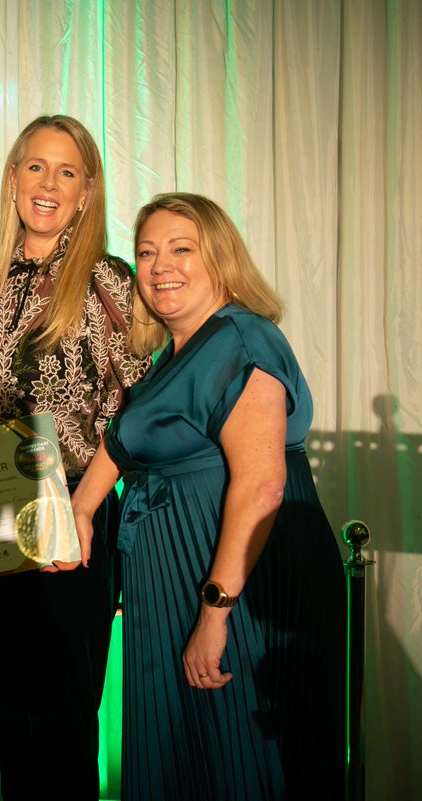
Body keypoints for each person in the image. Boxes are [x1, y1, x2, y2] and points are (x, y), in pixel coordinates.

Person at [71, 192, 345, 799]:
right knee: (186, 757)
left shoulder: (241, 340)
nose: (160, 265)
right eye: (146, 252)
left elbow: (261, 483)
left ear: (219, 259)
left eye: (181, 249)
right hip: (179, 584)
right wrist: (84, 507)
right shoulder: (172, 354)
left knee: (239, 759)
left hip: (238, 585)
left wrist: (216, 611)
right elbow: (127, 438)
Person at [0, 114, 147, 799]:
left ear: (87, 191)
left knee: (61, 722)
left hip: (73, 512)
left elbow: (138, 412)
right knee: (10, 710)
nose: (49, 183)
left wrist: (88, 509)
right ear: (12, 177)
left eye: (67, 171)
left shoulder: (109, 282)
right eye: (36, 165)